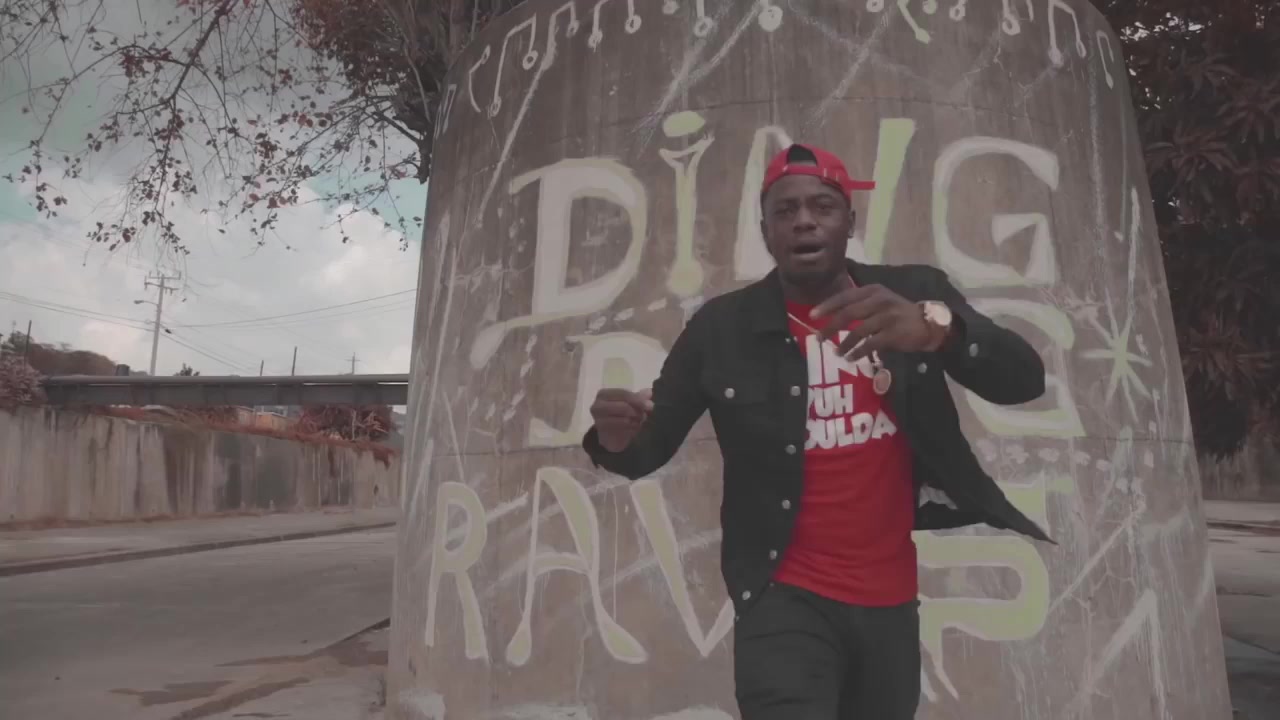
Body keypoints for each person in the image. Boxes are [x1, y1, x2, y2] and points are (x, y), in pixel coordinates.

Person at [581, 143, 1052, 720]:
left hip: (890, 601)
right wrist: (616, 439)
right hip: (783, 598)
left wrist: (942, 331)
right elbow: (647, 448)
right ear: (766, 231)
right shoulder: (720, 330)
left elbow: (1024, 380)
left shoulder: (911, 295)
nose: (803, 220)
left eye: (822, 206)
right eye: (785, 210)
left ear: (849, 221)